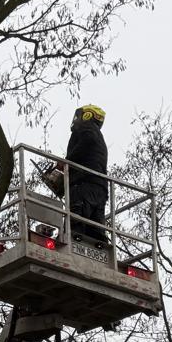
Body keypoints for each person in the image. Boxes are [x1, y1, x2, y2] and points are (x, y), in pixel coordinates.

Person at [63, 103, 108, 243]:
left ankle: (73, 241)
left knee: (75, 227)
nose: (76, 120)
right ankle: (98, 247)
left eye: (78, 116)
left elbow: (86, 143)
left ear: (87, 115)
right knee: (95, 229)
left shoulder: (85, 128)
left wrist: (66, 162)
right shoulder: (99, 136)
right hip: (99, 187)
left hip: (83, 184)